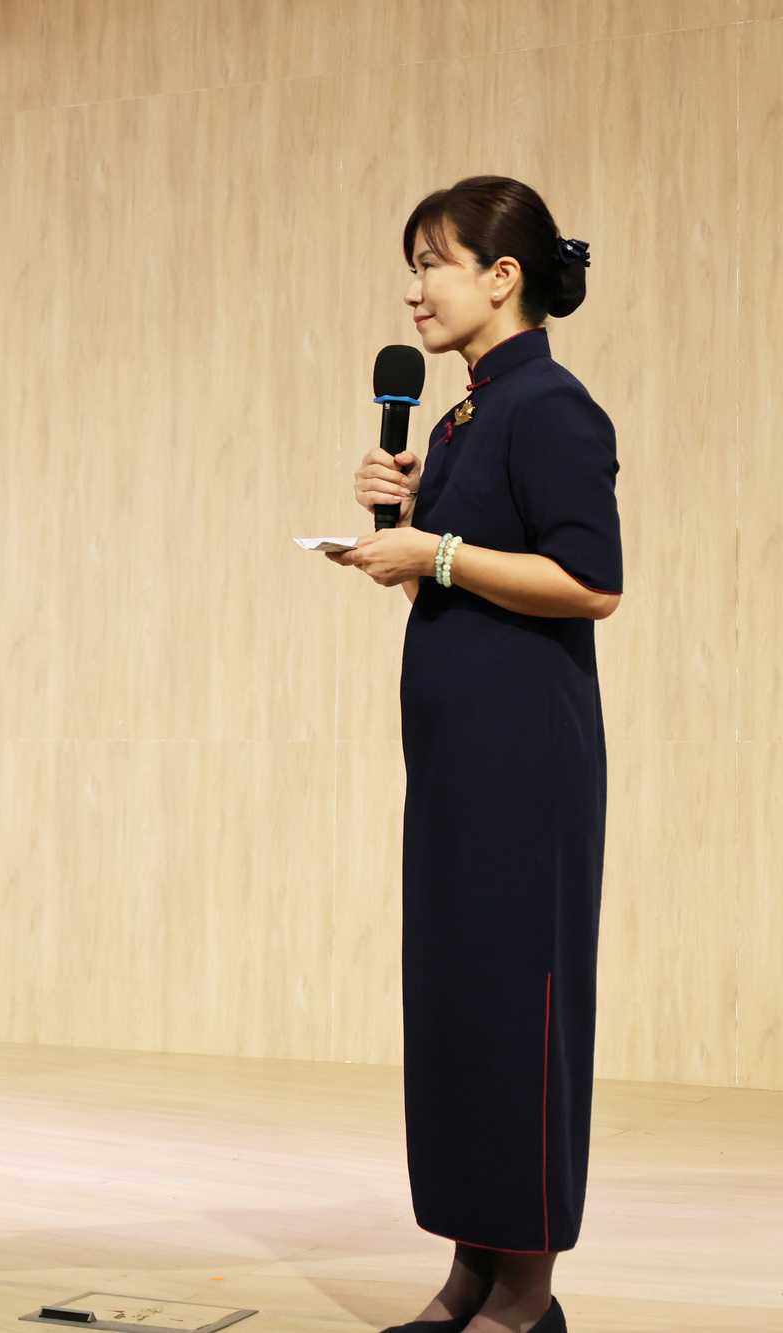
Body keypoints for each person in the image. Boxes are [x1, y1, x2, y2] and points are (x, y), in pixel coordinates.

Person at [331, 177, 620, 1333]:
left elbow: (589, 581)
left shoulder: (549, 405)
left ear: (502, 277)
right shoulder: (457, 421)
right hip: (454, 760)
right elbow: (449, 577)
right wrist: (395, 527)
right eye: (411, 266)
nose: (414, 291)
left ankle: (526, 1295)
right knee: (457, 1007)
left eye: (432, 264)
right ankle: (467, 1276)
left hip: (524, 766)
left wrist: (434, 552)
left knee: (519, 1011)